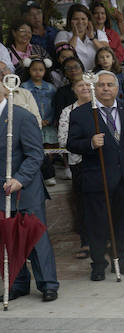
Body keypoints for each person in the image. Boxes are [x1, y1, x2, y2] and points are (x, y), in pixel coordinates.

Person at [65, 71, 124, 280]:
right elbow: (71, 144)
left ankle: (121, 259)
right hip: (96, 177)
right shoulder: (81, 113)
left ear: (117, 89)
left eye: (110, 85)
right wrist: (90, 143)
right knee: (97, 222)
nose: (106, 88)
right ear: (94, 88)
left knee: (121, 222)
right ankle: (98, 264)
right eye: (101, 85)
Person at [1, 77, 58, 302]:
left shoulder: (21, 117)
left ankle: (48, 284)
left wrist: (20, 179)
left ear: (4, 87)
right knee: (8, 239)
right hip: (1, 190)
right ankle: (17, 283)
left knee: (35, 238)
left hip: (25, 188)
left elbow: (36, 154)